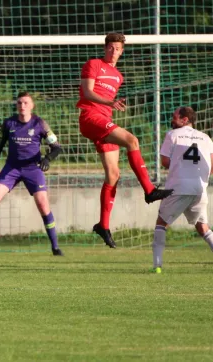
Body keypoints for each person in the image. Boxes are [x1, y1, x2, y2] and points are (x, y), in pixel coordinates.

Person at [77, 32, 173, 249]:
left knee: (114, 174)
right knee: (132, 140)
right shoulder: (93, 64)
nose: (113, 51)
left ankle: (103, 225)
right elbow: (88, 92)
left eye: (117, 48)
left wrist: (110, 107)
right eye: (110, 47)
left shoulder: (118, 76)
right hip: (90, 118)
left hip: (104, 120)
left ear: (122, 51)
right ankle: (149, 190)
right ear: (105, 48)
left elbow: (106, 102)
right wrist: (110, 104)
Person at [0, 92, 63, 256]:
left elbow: (57, 147)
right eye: (19, 103)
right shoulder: (9, 123)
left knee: (43, 205)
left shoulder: (40, 124)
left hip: (32, 168)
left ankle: (55, 246)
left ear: (32, 105)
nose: (22, 106)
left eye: (26, 103)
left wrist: (47, 159)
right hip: (12, 168)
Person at [152, 107, 213, 273]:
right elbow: (211, 167)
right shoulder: (206, 138)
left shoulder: (172, 135)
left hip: (178, 187)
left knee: (161, 224)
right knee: (203, 227)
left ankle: (157, 265)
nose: (172, 120)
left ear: (185, 119)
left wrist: (180, 168)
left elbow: (165, 161)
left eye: (175, 117)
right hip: (199, 188)